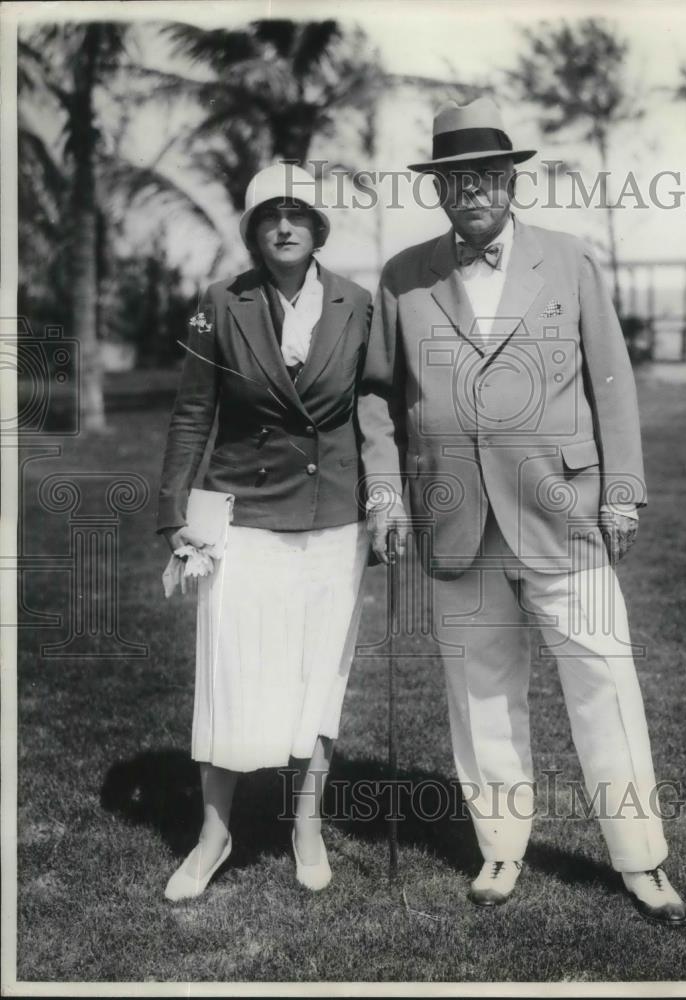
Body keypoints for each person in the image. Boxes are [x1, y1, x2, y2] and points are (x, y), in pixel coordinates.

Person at [357, 98, 686, 925]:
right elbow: (375, 395)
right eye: (456, 178)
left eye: (488, 176)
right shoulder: (403, 276)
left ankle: (642, 860)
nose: (473, 190)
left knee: (604, 682)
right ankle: (501, 849)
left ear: (511, 182)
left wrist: (620, 490)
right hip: (454, 521)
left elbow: (611, 381)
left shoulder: (570, 261)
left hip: (563, 509)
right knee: (480, 691)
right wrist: (387, 488)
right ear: (438, 191)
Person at [157, 162, 371, 901]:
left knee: (320, 676)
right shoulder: (220, 303)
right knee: (231, 671)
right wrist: (176, 514)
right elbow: (192, 414)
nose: (285, 225)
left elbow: (368, 412)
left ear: (317, 229)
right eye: (270, 214)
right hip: (242, 516)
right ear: (252, 230)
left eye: (298, 213)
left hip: (334, 519)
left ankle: (305, 825)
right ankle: (213, 835)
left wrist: (388, 502)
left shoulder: (358, 304)